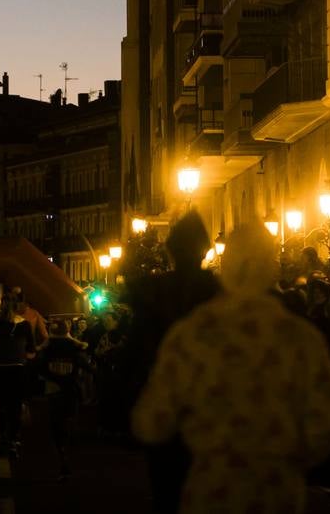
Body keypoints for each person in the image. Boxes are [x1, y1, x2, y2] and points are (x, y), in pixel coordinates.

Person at [132, 224, 330, 514]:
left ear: (228, 267)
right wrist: (289, 456)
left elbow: (152, 421)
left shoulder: (193, 334)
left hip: (213, 488)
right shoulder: (299, 338)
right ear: (270, 267)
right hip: (277, 491)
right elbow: (328, 417)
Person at [125, 213, 222, 511]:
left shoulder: (150, 292)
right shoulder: (221, 293)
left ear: (171, 250)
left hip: (166, 400)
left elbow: (136, 350)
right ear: (204, 251)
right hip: (209, 403)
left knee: (167, 487)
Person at [38, 317, 92, 476]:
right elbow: (85, 365)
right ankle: (68, 451)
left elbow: (39, 367)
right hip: (70, 389)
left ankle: (61, 453)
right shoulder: (74, 347)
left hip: (53, 390)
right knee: (69, 420)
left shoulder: (46, 349)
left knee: (56, 425)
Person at [0, 293, 36, 458]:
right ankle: (13, 440)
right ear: (17, 307)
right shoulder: (25, 325)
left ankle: (1, 437)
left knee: (0, 404)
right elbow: (31, 352)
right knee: (15, 406)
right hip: (18, 369)